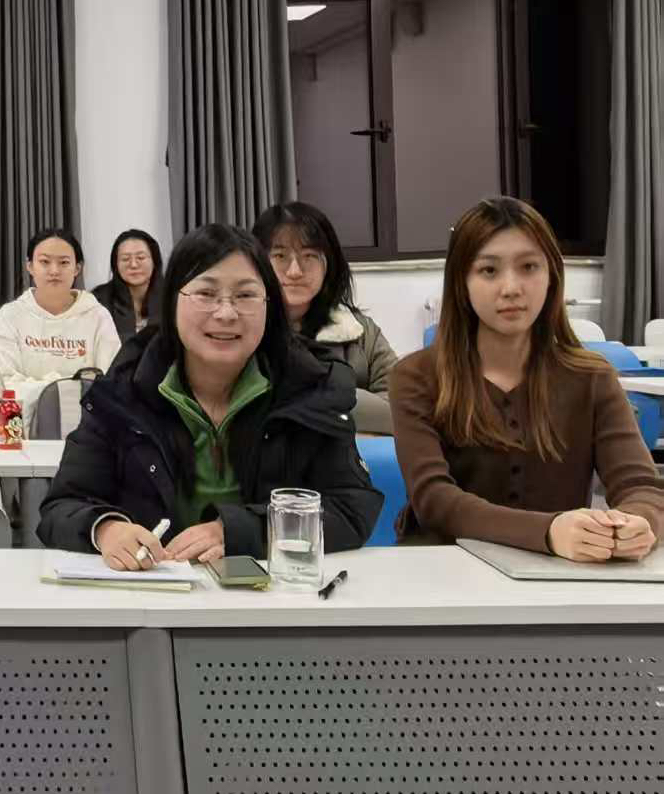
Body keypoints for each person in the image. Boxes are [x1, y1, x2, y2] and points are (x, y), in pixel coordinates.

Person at [37, 223, 380, 567]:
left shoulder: (308, 388)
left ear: (269, 305)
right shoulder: (124, 391)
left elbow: (351, 509)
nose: (226, 313)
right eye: (205, 294)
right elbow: (61, 507)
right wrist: (106, 529)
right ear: (173, 300)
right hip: (149, 591)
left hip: (272, 592)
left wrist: (242, 531)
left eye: (245, 296)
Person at [391, 196, 664, 559]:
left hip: (558, 576)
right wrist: (548, 532)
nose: (511, 288)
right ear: (461, 282)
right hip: (444, 572)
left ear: (551, 276)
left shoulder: (593, 377)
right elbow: (434, 500)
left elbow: (641, 486)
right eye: (489, 271)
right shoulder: (415, 377)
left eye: (529, 267)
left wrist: (638, 522)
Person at [254, 201, 398, 394]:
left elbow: (399, 399)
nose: (295, 271)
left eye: (309, 256)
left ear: (329, 264)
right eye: (280, 256)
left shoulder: (360, 331)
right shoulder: (243, 329)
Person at [0, 227, 121, 424]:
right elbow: (5, 384)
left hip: (88, 425)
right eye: (44, 262)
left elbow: (111, 381)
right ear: (30, 266)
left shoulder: (97, 316)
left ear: (77, 268)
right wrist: (63, 391)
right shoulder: (10, 316)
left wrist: (55, 392)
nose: (54, 271)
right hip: (24, 427)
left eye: (64, 262)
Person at [92, 229, 163, 343]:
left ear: (155, 261)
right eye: (125, 259)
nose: (133, 265)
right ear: (115, 264)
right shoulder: (98, 300)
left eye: (141, 257)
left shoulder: (173, 297)